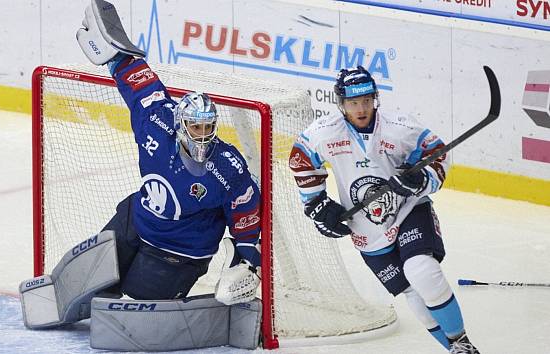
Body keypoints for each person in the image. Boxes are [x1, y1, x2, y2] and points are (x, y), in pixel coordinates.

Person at [75, 0, 262, 303]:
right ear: (179, 124)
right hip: (136, 220)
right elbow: (142, 87)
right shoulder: (156, 122)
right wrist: (116, 56)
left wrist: (247, 260)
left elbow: (246, 213)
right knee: (91, 287)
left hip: (182, 250)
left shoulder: (227, 166)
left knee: (139, 304)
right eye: (194, 127)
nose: (202, 135)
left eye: (207, 127)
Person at [289, 66, 479, 354]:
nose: (361, 108)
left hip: (408, 210)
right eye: (353, 103)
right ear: (341, 104)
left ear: (375, 98)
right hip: (366, 230)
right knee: (410, 291)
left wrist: (419, 179)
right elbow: (301, 158)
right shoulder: (325, 132)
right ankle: (455, 349)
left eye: (366, 100)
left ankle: (462, 343)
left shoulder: (399, 128)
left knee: (421, 271)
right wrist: (317, 204)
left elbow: (436, 153)